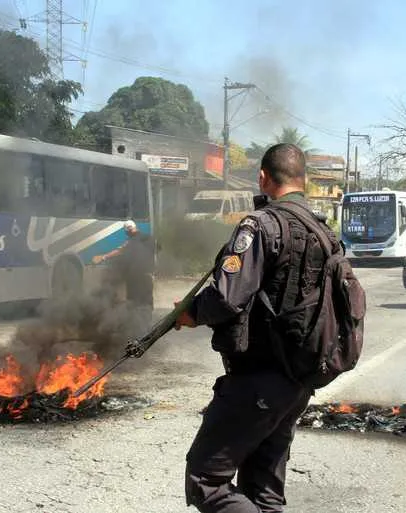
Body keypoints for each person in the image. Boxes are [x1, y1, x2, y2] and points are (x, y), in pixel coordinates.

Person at [175, 143, 340, 513]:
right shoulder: (322, 231)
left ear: (263, 177)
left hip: (257, 380)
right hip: (298, 381)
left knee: (206, 481)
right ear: (306, 181)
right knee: (263, 491)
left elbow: (226, 298)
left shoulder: (261, 225)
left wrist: (188, 313)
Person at [92, 219, 154, 329]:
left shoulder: (130, 242)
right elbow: (158, 248)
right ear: (135, 227)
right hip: (148, 275)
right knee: (147, 301)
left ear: (127, 231)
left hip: (134, 277)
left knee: (134, 301)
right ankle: (148, 324)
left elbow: (119, 251)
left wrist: (103, 257)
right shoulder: (148, 238)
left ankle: (135, 327)